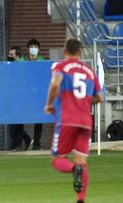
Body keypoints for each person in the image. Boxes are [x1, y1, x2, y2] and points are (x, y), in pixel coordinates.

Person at [44, 38, 102, 203]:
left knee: (57, 160)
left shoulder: (61, 66)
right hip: (85, 121)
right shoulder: (90, 71)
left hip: (67, 119)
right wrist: (84, 102)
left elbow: (55, 84)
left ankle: (73, 169)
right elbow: (99, 97)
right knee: (82, 161)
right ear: (80, 52)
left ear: (65, 51)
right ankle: (81, 199)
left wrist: (49, 104)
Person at [7, 47, 33, 151]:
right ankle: (25, 141)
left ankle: (16, 144)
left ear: (17, 56)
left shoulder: (21, 66)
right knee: (16, 123)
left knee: (14, 123)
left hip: (19, 99)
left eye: (11, 54)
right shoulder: (12, 66)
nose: (9, 56)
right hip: (14, 98)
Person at [26, 38, 45, 150]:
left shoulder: (42, 61)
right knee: (18, 119)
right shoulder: (23, 61)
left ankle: (37, 143)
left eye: (35, 47)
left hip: (38, 95)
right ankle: (25, 140)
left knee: (39, 120)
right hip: (26, 94)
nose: (33, 49)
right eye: (31, 47)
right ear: (28, 49)